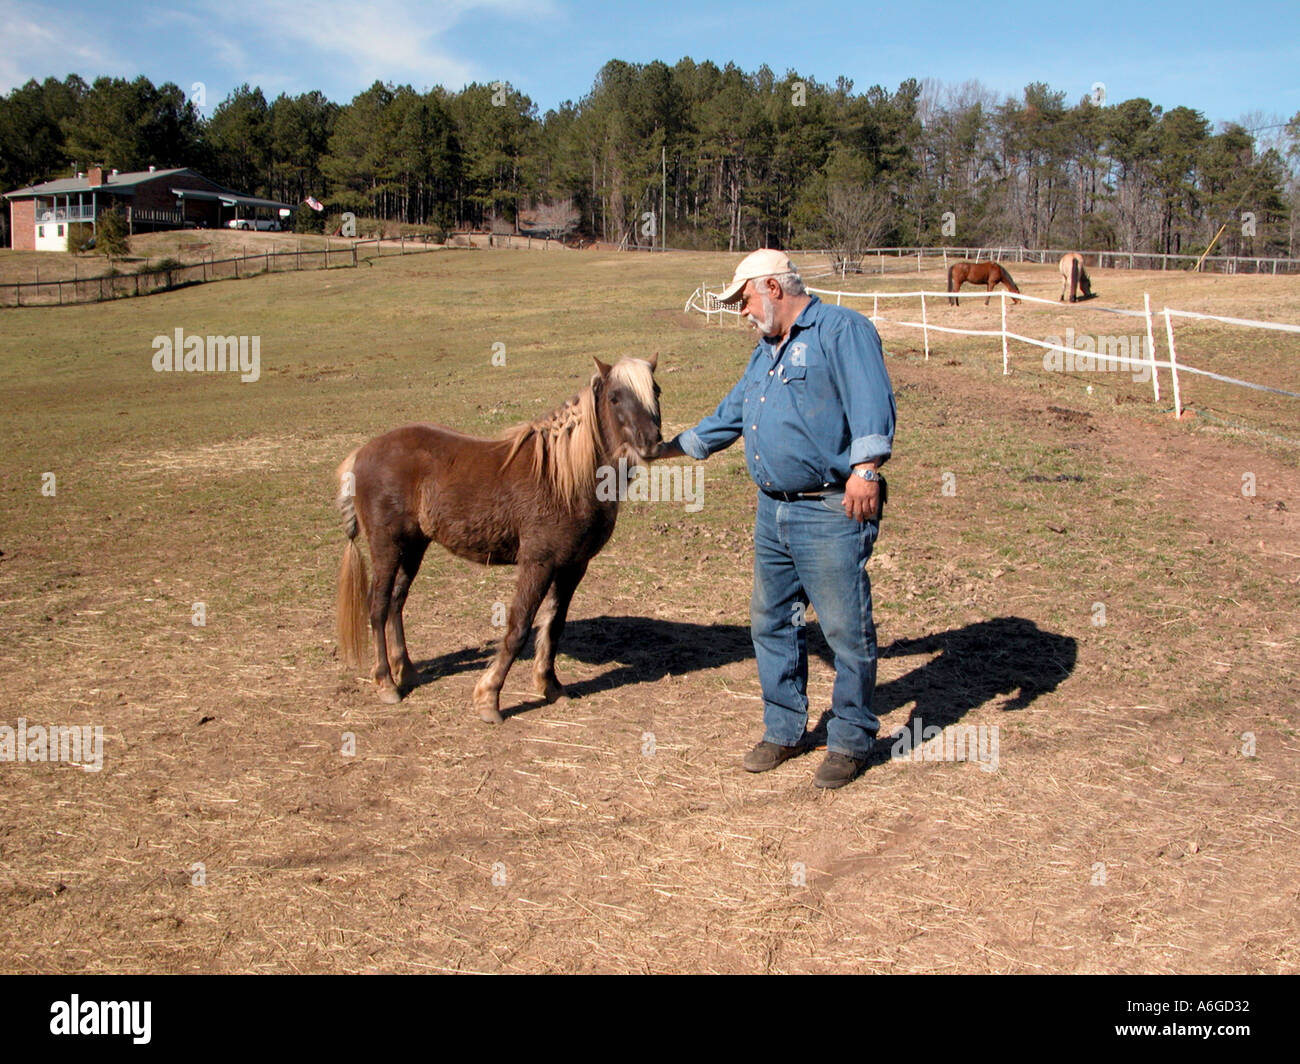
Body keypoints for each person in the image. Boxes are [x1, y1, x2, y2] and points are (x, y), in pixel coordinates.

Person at [655, 249, 896, 788]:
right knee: (771, 621)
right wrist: (668, 450)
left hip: (832, 507)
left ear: (773, 287)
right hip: (774, 512)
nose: (742, 311)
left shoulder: (842, 329)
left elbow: (870, 400)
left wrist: (866, 470)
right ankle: (784, 728)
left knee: (844, 629)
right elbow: (732, 414)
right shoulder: (765, 352)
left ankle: (852, 738)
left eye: (743, 299)